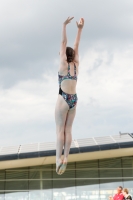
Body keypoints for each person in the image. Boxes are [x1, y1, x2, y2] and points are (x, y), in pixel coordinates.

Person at [55, 16, 84, 175]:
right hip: (74, 100)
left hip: (63, 97)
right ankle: (66, 157)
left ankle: (58, 159)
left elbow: (63, 43)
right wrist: (79, 29)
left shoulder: (63, 64)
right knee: (68, 129)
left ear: (64, 55)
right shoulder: (76, 64)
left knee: (60, 130)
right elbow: (76, 45)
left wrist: (64, 25)